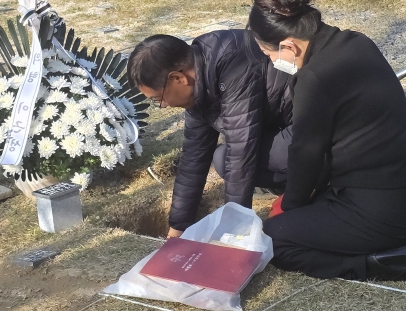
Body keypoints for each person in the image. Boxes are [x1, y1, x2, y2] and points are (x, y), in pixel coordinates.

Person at [246, 0, 406, 281]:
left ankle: (382, 261)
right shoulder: (358, 43)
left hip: (383, 213)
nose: (271, 62)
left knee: (273, 239)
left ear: (289, 47)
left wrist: (291, 205)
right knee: (311, 212)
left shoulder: (314, 77)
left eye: (268, 54)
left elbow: (305, 153)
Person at [126, 31, 295, 239]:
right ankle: (288, 183)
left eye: (158, 99)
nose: (163, 106)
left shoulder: (233, 64)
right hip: (280, 127)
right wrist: (178, 227)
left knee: (238, 158)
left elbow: (241, 151)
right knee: (222, 159)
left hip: (314, 129)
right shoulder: (199, 79)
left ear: (178, 78)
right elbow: (193, 158)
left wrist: (234, 230)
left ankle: (316, 182)